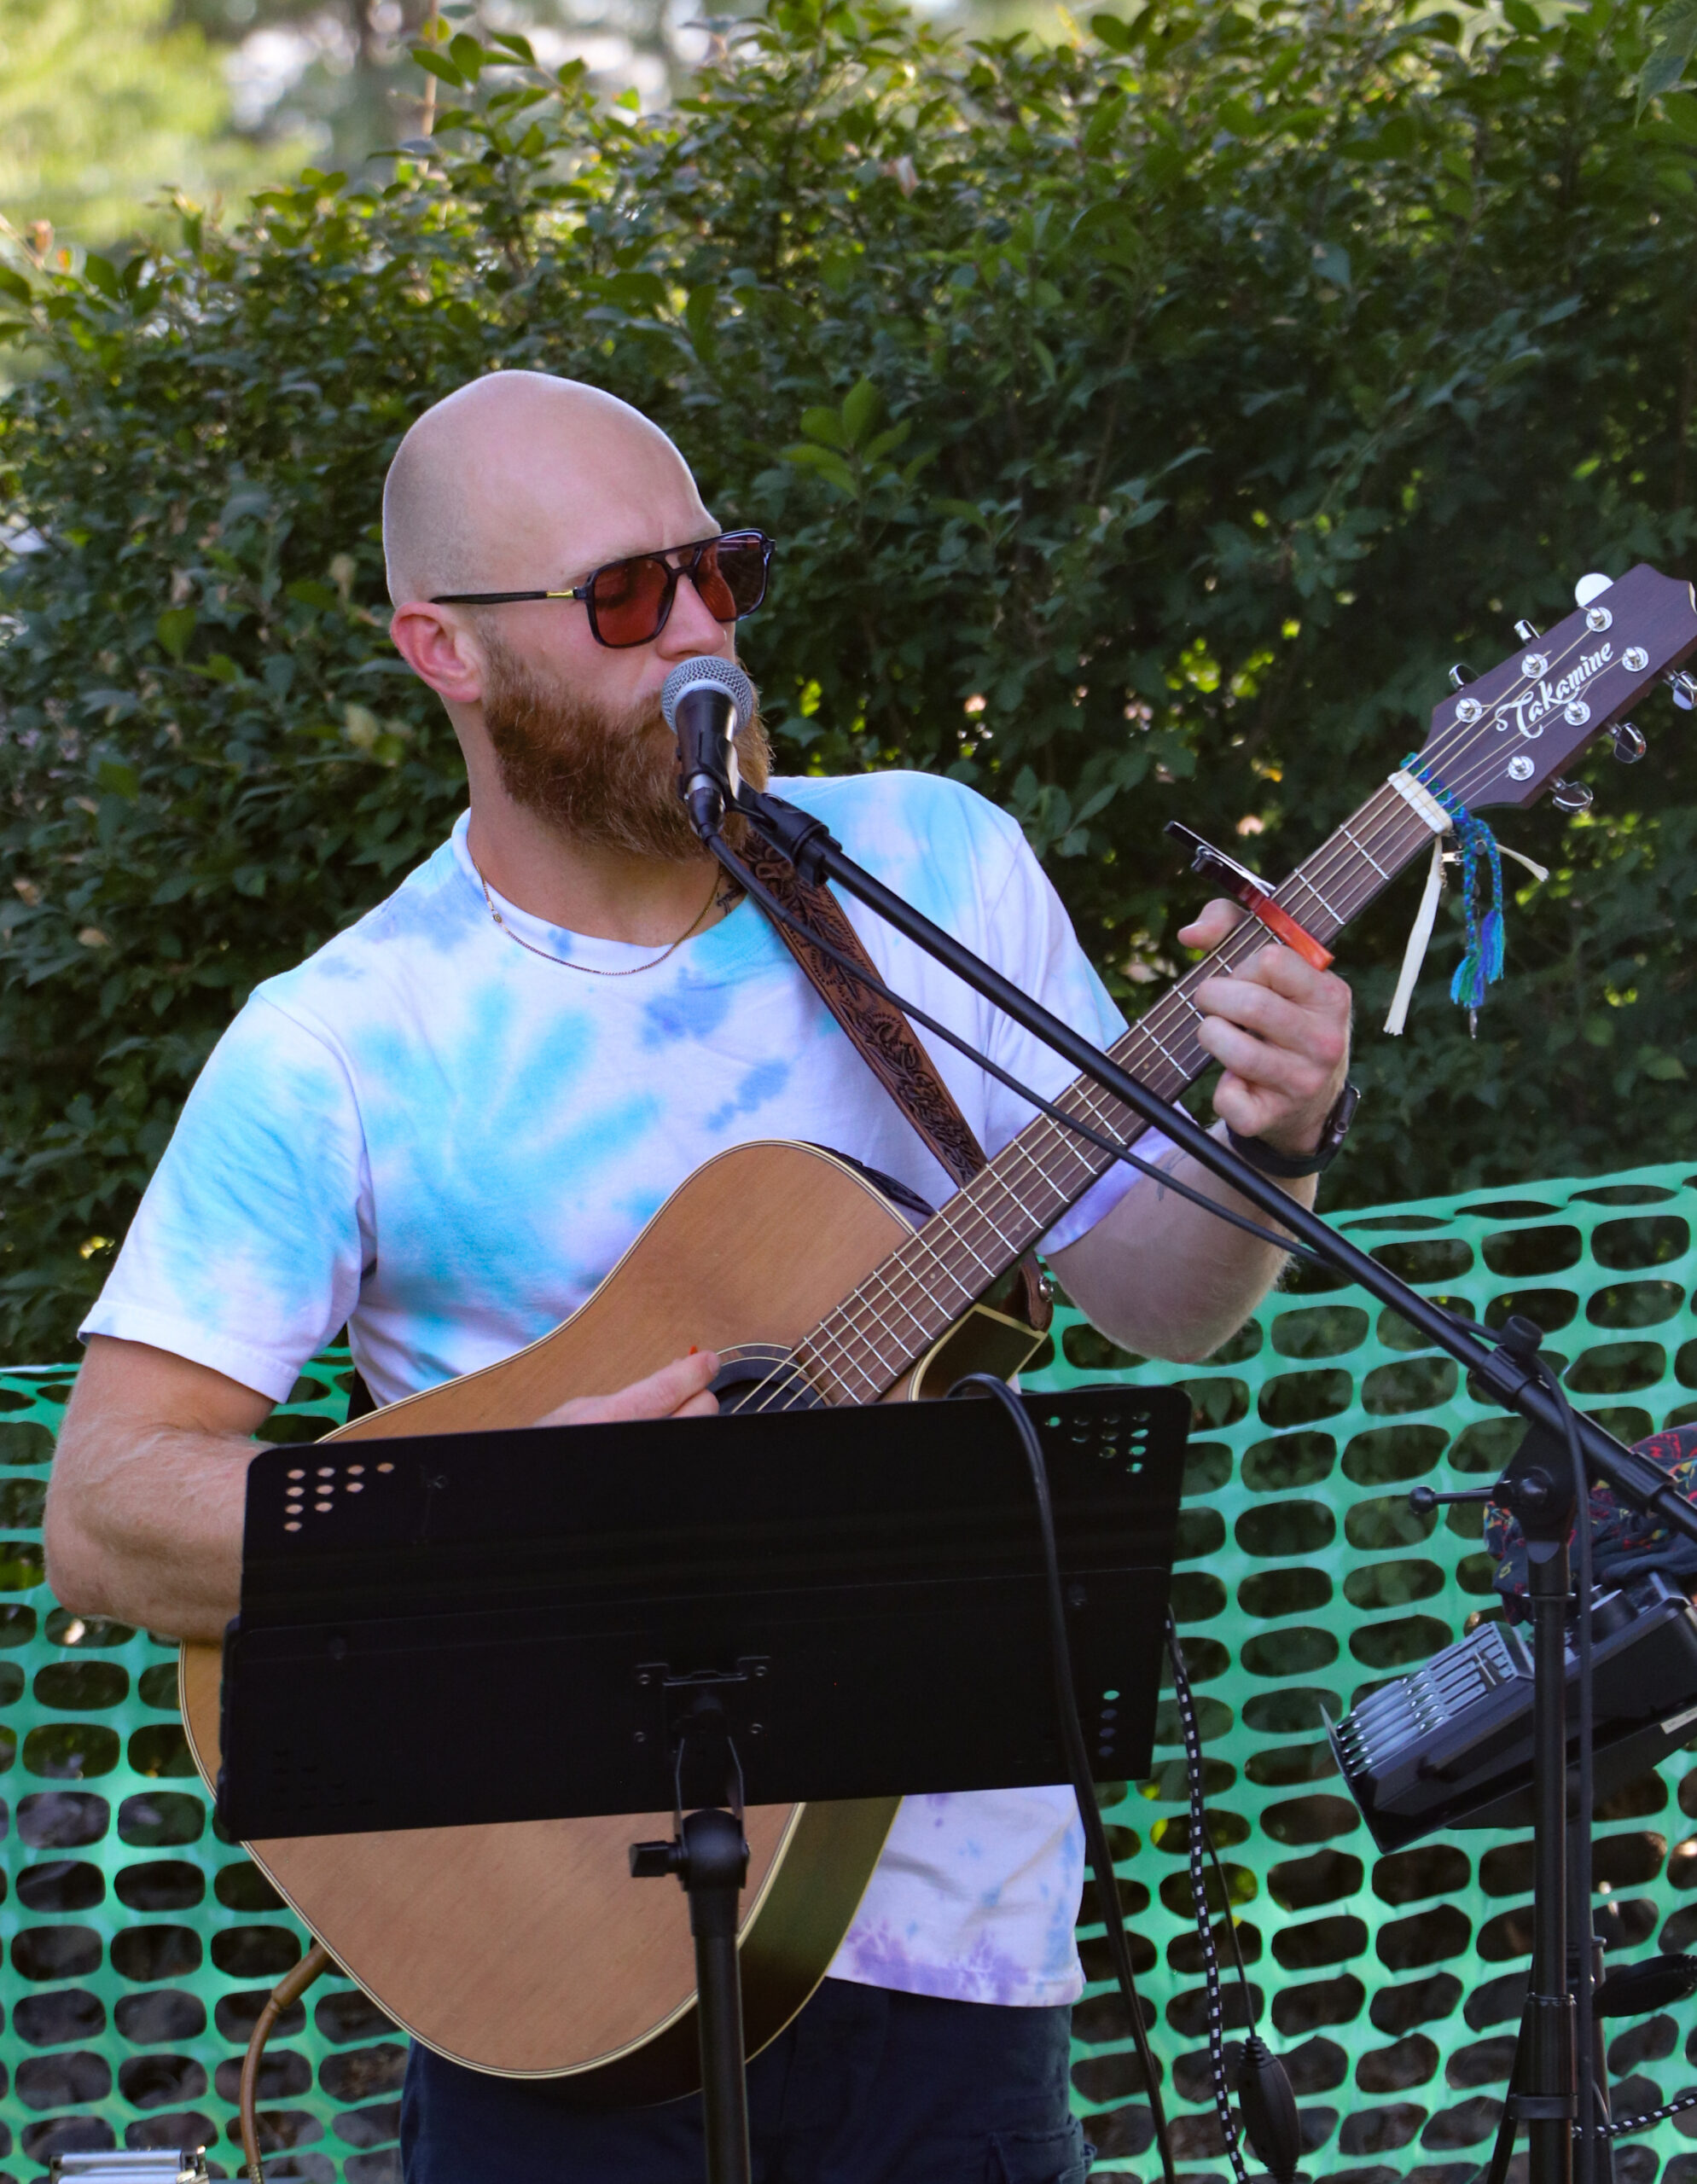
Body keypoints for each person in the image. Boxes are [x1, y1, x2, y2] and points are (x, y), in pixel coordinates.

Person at [45, 370, 1353, 2182]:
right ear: (443, 648)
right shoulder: (344, 1041)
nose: (701, 634)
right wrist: (522, 1505)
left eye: (719, 570)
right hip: (546, 1951)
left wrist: (1269, 1142)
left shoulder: (930, 866)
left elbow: (1159, 1294)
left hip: (959, 1948)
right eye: (623, 597)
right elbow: (106, 1514)